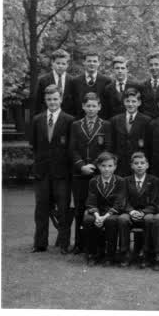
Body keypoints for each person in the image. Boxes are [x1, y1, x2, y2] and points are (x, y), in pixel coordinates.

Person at [30, 84, 75, 254]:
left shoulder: (69, 120)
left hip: (62, 173)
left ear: (60, 99)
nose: (52, 102)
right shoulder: (37, 119)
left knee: (63, 209)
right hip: (42, 173)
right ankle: (40, 244)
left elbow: (71, 148)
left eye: (55, 99)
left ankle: (63, 244)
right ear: (45, 100)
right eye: (49, 99)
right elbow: (35, 146)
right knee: (41, 209)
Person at [68, 92, 112, 254]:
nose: (91, 109)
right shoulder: (76, 125)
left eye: (94, 106)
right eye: (88, 106)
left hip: (98, 173)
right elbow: (72, 149)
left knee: (99, 207)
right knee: (80, 208)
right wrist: (81, 166)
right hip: (79, 174)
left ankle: (99, 243)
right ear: (83, 107)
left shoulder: (106, 125)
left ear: (99, 107)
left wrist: (93, 165)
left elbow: (107, 148)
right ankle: (79, 244)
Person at [82, 152, 126, 266]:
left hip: (112, 212)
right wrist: (97, 216)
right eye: (103, 166)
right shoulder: (93, 181)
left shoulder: (120, 181)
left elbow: (119, 203)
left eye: (110, 166)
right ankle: (93, 253)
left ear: (115, 167)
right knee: (88, 220)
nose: (107, 169)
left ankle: (110, 255)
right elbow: (91, 201)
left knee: (111, 221)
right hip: (97, 211)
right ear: (98, 166)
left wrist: (105, 217)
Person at [117, 152, 159, 268]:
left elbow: (155, 202)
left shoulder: (154, 180)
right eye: (136, 163)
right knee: (122, 219)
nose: (139, 166)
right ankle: (125, 253)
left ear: (147, 165)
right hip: (130, 212)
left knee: (150, 219)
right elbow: (122, 200)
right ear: (132, 166)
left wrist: (143, 212)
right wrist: (131, 211)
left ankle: (146, 254)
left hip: (147, 212)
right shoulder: (125, 181)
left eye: (142, 163)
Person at [109, 88, 151, 177]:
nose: (130, 104)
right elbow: (112, 144)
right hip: (120, 164)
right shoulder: (115, 120)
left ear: (139, 103)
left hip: (138, 164)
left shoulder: (147, 121)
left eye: (134, 101)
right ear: (124, 102)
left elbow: (148, 145)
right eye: (128, 101)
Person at [34, 48, 77, 116]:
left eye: (63, 64)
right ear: (52, 62)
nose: (60, 66)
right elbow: (38, 103)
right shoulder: (43, 80)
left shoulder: (73, 81)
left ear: (67, 65)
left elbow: (75, 103)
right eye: (58, 63)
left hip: (68, 118)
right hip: (48, 116)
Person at [72, 51, 112, 119]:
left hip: (101, 120)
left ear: (99, 63)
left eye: (94, 61)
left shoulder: (107, 81)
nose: (92, 63)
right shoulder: (75, 81)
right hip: (80, 120)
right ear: (84, 62)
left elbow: (108, 105)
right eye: (89, 61)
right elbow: (73, 104)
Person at [140, 52, 159, 118]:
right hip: (147, 121)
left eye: (156, 64)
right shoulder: (142, 86)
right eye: (151, 65)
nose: (153, 67)